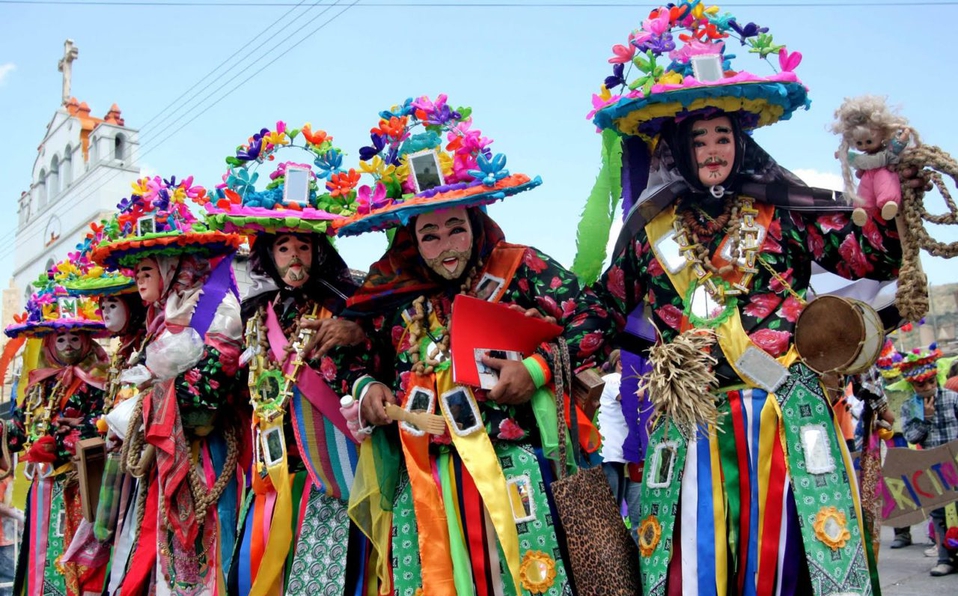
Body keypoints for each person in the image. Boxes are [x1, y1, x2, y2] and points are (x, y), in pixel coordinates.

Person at [588, 5, 905, 594]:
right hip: (689, 420)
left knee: (792, 559)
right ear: (677, 149)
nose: (712, 150)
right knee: (691, 568)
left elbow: (872, 259)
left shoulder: (783, 211)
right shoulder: (648, 237)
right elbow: (599, 313)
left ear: (741, 143)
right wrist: (536, 350)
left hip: (783, 412)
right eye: (699, 139)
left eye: (722, 137)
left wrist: (880, 178)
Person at [335, 95, 607, 595]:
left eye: (456, 227)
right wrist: (367, 383)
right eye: (430, 235)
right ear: (411, 241)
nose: (447, 245)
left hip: (515, 463)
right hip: (426, 476)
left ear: (475, 223)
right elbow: (352, 352)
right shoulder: (391, 293)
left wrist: (538, 368)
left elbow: (593, 316)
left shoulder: (518, 266)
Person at [204, 121, 380, 595]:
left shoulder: (350, 300)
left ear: (319, 251)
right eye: (284, 246)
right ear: (269, 254)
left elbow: (382, 344)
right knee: (259, 573)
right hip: (271, 465)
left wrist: (356, 330)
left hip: (332, 463)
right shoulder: (256, 312)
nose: (295, 254)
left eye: (304, 244)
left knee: (325, 578)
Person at [91, 175, 246, 595]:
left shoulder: (214, 305)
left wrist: (142, 404)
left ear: (171, 268)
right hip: (165, 450)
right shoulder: (161, 316)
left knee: (203, 553)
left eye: (146, 271)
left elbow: (210, 385)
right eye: (138, 272)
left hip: (203, 451)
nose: (139, 280)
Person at [54, 223, 148, 593]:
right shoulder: (123, 353)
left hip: (137, 467)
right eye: (103, 304)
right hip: (100, 472)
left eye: (115, 303)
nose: (107, 311)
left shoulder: (142, 350)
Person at [3, 284, 110, 596]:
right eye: (60, 337)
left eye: (75, 337)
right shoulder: (38, 386)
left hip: (80, 485)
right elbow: (19, 431)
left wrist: (63, 442)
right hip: (43, 488)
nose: (67, 344)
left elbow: (106, 423)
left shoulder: (102, 381)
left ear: (87, 339)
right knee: (40, 553)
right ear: (49, 341)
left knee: (78, 559)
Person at [898, 346, 958, 576]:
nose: (928, 388)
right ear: (913, 385)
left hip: (955, 462)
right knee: (939, 514)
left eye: (931, 381)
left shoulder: (953, 399)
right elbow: (911, 436)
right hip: (933, 468)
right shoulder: (910, 406)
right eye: (921, 385)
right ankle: (945, 558)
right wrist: (926, 418)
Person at [596, 349, 641, 545]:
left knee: (615, 509)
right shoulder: (614, 379)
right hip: (609, 453)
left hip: (619, 455)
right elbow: (631, 399)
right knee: (610, 510)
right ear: (621, 363)